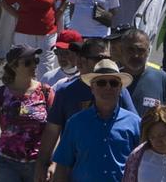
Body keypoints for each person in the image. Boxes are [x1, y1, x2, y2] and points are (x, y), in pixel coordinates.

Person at [34, 39, 137, 182]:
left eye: (108, 58)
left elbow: (135, 129)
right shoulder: (66, 92)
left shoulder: (121, 94)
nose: (108, 87)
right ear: (82, 61)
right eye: (100, 58)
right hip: (77, 169)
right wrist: (43, 164)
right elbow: (52, 131)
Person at [50, 60, 142, 182]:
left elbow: (144, 164)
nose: (108, 87)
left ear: (120, 89)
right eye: (101, 83)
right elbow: (62, 166)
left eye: (113, 83)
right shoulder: (75, 123)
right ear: (92, 88)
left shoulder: (135, 123)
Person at [0, 45, 57, 182]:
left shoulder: (46, 92)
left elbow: (54, 130)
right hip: (7, 162)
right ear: (14, 67)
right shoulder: (0, 95)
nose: (33, 65)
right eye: (28, 62)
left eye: (36, 61)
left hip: (38, 163)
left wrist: (53, 162)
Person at [2, 0, 70, 75]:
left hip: (48, 32)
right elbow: (5, 3)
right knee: (26, 65)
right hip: (24, 33)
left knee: (46, 65)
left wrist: (59, 12)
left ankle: (44, 92)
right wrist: (17, 15)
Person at [113, 28, 166, 116]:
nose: (136, 55)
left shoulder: (162, 79)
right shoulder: (111, 81)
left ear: (148, 51)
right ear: (121, 51)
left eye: (141, 50)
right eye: (131, 49)